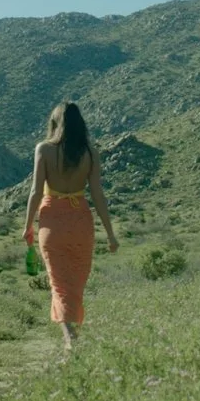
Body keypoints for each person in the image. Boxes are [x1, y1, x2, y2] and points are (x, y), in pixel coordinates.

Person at [21, 102, 118, 351]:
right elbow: (98, 194)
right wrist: (110, 234)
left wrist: (28, 225)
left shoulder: (43, 149)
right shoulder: (90, 153)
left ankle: (70, 339)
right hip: (81, 222)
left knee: (58, 282)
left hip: (51, 221)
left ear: (55, 123)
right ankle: (71, 336)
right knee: (76, 282)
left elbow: (35, 192)